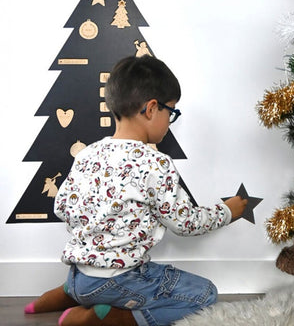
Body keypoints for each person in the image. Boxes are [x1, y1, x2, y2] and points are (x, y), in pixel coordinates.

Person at [24, 55, 248, 326]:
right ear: (152, 109)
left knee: (98, 279)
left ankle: (70, 292)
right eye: (171, 112)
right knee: (205, 294)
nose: (170, 121)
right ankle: (114, 317)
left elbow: (61, 207)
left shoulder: (88, 154)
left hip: (79, 273)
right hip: (120, 279)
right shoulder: (156, 164)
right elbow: (185, 223)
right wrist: (227, 211)